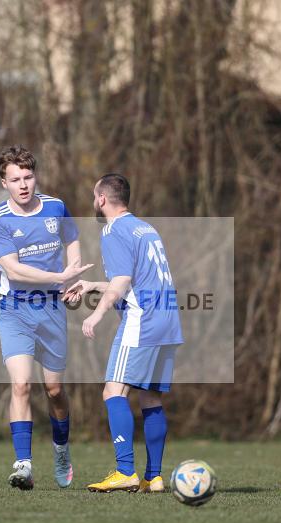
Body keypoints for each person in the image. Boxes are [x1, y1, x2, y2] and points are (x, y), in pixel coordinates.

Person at [0, 145, 92, 490]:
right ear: (4, 183)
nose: (23, 184)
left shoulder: (56, 207)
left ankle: (61, 449)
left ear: (36, 176)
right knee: (21, 384)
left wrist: (72, 276)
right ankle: (23, 464)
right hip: (14, 308)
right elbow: (14, 272)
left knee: (55, 390)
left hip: (52, 309)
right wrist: (60, 278)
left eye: (28, 177)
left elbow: (72, 240)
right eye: (15, 179)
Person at [64, 173, 183, 493]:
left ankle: (125, 471)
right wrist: (91, 286)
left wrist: (97, 314)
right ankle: (154, 477)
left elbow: (120, 284)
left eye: (94, 196)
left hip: (142, 321)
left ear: (101, 199)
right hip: (168, 320)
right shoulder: (145, 228)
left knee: (113, 392)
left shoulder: (113, 230)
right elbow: (135, 280)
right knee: (150, 397)